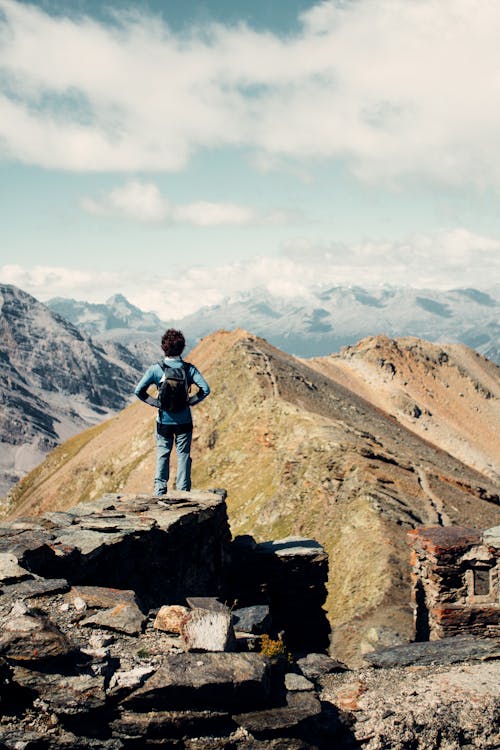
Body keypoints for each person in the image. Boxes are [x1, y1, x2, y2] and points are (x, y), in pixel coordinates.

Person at [134, 329, 210, 496]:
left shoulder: (156, 369)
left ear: (163, 347)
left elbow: (139, 391)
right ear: (182, 348)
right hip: (184, 421)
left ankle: (160, 491)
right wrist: (191, 401)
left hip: (164, 421)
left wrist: (157, 403)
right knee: (183, 456)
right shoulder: (188, 369)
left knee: (163, 454)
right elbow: (205, 389)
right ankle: (183, 492)